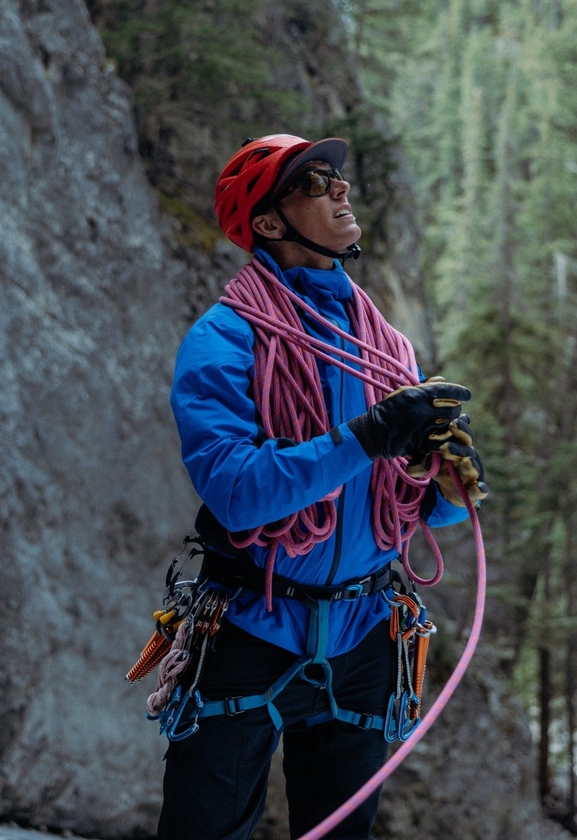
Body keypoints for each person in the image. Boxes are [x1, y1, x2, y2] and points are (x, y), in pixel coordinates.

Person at [158, 134, 487, 840]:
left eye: (337, 177)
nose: (340, 189)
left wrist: (447, 496)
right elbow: (237, 493)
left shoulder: (384, 345)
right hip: (249, 624)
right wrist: (367, 436)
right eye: (314, 182)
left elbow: (395, 500)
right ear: (269, 223)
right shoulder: (225, 340)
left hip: (365, 632)